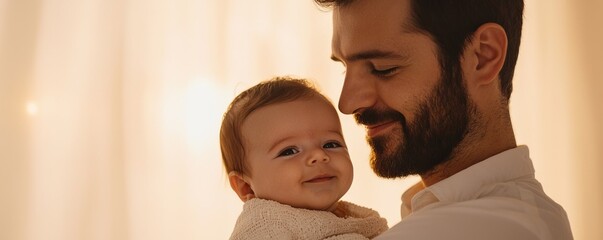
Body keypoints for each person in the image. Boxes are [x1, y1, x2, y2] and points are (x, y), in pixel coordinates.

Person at [313, 0, 574, 239]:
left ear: (483, 56)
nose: (347, 104)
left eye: (383, 69)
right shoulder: (526, 218)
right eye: (345, 67)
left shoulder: (491, 228)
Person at [220, 77, 388, 240]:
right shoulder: (263, 225)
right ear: (246, 187)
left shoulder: (357, 220)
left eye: (330, 144)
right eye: (289, 151)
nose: (319, 155)